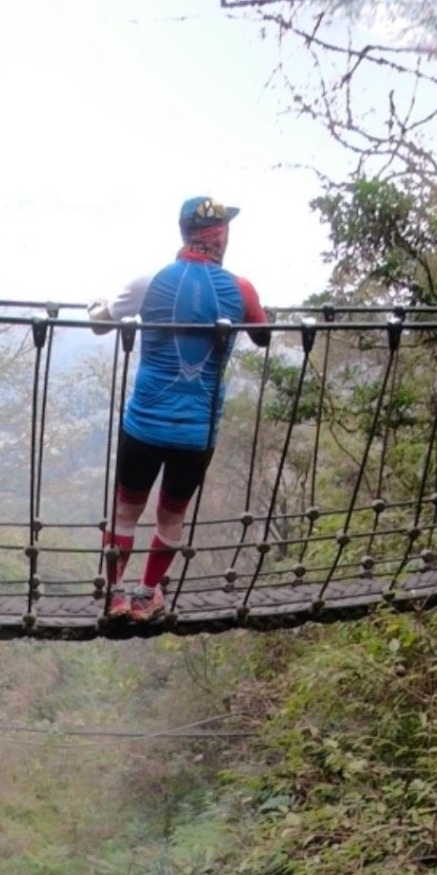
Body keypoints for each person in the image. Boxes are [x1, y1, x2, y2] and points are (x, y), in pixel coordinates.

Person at [88, 195, 271, 621]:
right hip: (196, 432)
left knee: (124, 512)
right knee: (171, 515)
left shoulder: (149, 281)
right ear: (220, 235)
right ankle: (147, 594)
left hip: (145, 425)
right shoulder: (240, 289)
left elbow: (100, 324)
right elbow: (262, 335)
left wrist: (99, 308)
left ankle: (114, 593)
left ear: (184, 233)